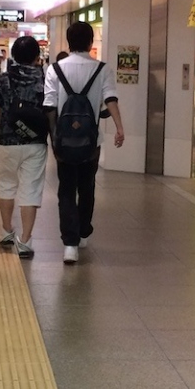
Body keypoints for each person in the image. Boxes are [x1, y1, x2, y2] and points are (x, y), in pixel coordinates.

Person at [44, 20, 124, 264]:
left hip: (64, 141)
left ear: (68, 42)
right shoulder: (102, 69)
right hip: (91, 142)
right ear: (91, 42)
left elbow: (49, 106)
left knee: (66, 189)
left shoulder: (54, 69)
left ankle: (70, 245)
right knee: (87, 187)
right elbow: (110, 99)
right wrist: (119, 128)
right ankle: (83, 232)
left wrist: (54, 139)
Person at [0, 34, 48, 259]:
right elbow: (51, 111)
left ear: (14, 56)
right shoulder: (45, 78)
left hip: (8, 141)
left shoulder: (4, 79)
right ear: (37, 56)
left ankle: (7, 230)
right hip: (35, 142)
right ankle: (25, 241)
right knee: (30, 190)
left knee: (6, 186)